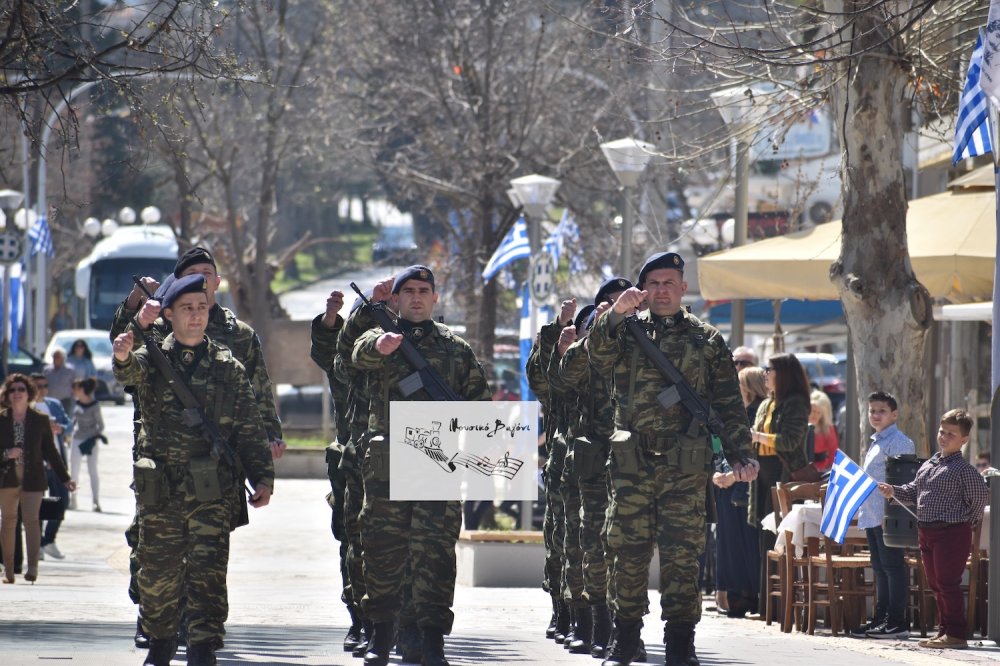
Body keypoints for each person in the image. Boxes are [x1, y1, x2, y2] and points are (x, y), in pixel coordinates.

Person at [587, 252, 758, 666]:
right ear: (642, 291)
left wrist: (741, 454)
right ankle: (625, 639)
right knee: (627, 555)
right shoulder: (624, 333)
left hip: (685, 465)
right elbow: (593, 355)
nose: (662, 290)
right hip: (633, 462)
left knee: (683, 557)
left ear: (683, 287)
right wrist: (613, 316)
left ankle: (680, 642)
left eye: (670, 282)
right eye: (654, 284)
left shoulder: (708, 340)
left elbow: (728, 405)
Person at [115, 246, 286, 648]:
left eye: (201, 307)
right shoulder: (153, 358)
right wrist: (123, 354)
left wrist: (263, 476)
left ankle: (203, 646)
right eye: (186, 307)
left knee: (208, 575)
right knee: (157, 574)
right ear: (169, 314)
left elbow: (248, 425)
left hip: (212, 491)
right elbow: (130, 369)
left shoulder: (228, 366)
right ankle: (158, 641)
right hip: (161, 493)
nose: (195, 314)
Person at [351, 265, 492, 666]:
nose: (416, 297)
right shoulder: (378, 338)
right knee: (382, 551)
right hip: (389, 462)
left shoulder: (455, 348)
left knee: (434, 555)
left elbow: (480, 407)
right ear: (394, 300)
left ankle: (432, 640)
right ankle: (381, 635)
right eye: (407, 291)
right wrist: (380, 348)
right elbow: (356, 357)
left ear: (434, 297)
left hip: (437, 461)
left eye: (423, 290)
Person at [878, 408, 988, 650]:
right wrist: (894, 491)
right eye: (942, 431)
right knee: (936, 584)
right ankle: (944, 631)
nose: (944, 436)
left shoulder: (964, 470)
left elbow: (980, 498)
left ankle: (957, 634)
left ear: (964, 440)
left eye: (951, 433)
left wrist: (967, 522)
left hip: (951, 532)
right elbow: (914, 491)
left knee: (948, 582)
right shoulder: (928, 465)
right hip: (926, 531)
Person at [747, 352, 813, 617]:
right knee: (764, 540)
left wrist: (756, 435)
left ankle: (781, 608)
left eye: (769, 369)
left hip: (785, 475)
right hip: (762, 474)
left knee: (782, 541)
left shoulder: (795, 403)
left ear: (783, 373)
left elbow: (789, 441)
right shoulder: (766, 404)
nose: (765, 374)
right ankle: (767, 607)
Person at [848, 391, 915, 639]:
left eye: (881, 411)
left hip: (891, 517)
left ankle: (896, 621)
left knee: (892, 566)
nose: (875, 415)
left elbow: (904, 480)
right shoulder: (876, 441)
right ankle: (881, 617)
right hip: (873, 514)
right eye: (872, 411)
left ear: (894, 415)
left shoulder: (899, 441)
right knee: (879, 567)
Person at [0, 373, 76, 584]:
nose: (17, 393)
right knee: (8, 523)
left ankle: (32, 568)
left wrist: (64, 478)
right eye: (13, 390)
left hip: (33, 478)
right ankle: (8, 571)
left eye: (21, 390)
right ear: (7, 394)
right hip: (7, 479)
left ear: (29, 393)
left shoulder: (40, 420)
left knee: (32, 522)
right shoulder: (1, 419)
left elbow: (51, 452)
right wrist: (7, 454)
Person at [711, 366, 768, 619]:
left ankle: (743, 596)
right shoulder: (739, 412)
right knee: (728, 544)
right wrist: (718, 475)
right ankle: (733, 595)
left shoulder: (753, 414)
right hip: (726, 484)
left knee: (742, 545)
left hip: (743, 487)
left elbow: (750, 454)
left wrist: (731, 477)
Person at [30, 373, 73, 560]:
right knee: (36, 505)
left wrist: (60, 428)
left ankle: (49, 540)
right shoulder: (27, 408)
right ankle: (37, 544)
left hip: (56, 462)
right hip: (36, 464)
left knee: (62, 501)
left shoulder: (53, 404)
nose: (42, 389)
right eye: (38, 385)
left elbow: (69, 423)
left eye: (45, 385)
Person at [68, 378, 105, 513]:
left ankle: (95, 501)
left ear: (82, 390)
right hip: (77, 438)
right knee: (74, 469)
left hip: (90, 440)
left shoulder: (95, 405)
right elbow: (73, 421)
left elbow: (101, 425)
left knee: (92, 470)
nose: (74, 391)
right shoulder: (77, 403)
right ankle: (73, 498)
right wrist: (67, 432)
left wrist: (94, 437)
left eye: (76, 389)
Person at [809, 389, 839, 472]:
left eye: (819, 413)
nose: (815, 415)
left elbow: (833, 452)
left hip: (822, 471)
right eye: (813, 411)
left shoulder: (828, 429)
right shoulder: (801, 426)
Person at [43, 349, 76, 414]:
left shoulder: (70, 370)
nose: (55, 359)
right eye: (54, 357)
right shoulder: (47, 370)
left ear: (63, 358)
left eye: (57, 357)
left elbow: (74, 385)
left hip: (65, 400)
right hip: (50, 400)